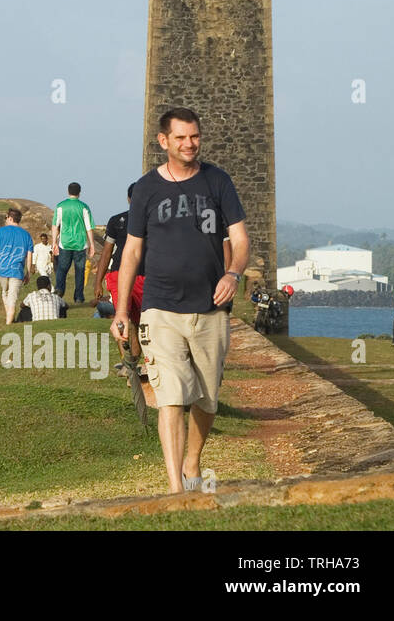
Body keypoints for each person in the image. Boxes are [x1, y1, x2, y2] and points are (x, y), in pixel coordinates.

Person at [110, 107, 249, 495]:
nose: (190, 144)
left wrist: (233, 273)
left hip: (210, 309)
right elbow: (132, 253)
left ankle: (193, 462)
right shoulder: (147, 190)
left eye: (195, 137)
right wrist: (122, 310)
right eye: (181, 138)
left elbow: (239, 240)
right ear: (164, 141)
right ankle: (176, 492)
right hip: (160, 308)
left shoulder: (218, 182)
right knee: (170, 398)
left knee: (206, 400)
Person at [94, 182, 146, 324]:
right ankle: (124, 343)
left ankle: (132, 345)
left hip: (144, 277)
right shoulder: (117, 221)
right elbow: (107, 252)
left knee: (139, 321)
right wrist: (98, 282)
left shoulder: (154, 221)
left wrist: (98, 282)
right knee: (123, 316)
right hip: (120, 275)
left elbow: (106, 253)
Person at [0, 207, 34, 325]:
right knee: (12, 300)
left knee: (5, 294)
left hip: (1, 269)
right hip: (17, 271)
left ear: (10, 218)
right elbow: (29, 256)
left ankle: (8, 324)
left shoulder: (1, 231)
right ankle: (9, 323)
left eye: (6, 217)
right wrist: (28, 273)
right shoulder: (26, 235)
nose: (5, 219)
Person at [52, 182, 95, 303]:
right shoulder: (84, 207)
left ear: (68, 191)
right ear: (79, 192)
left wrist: (54, 242)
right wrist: (92, 244)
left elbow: (55, 225)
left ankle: (59, 292)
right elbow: (88, 227)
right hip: (80, 243)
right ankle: (79, 297)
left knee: (62, 268)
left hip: (65, 243)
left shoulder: (60, 206)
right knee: (80, 271)